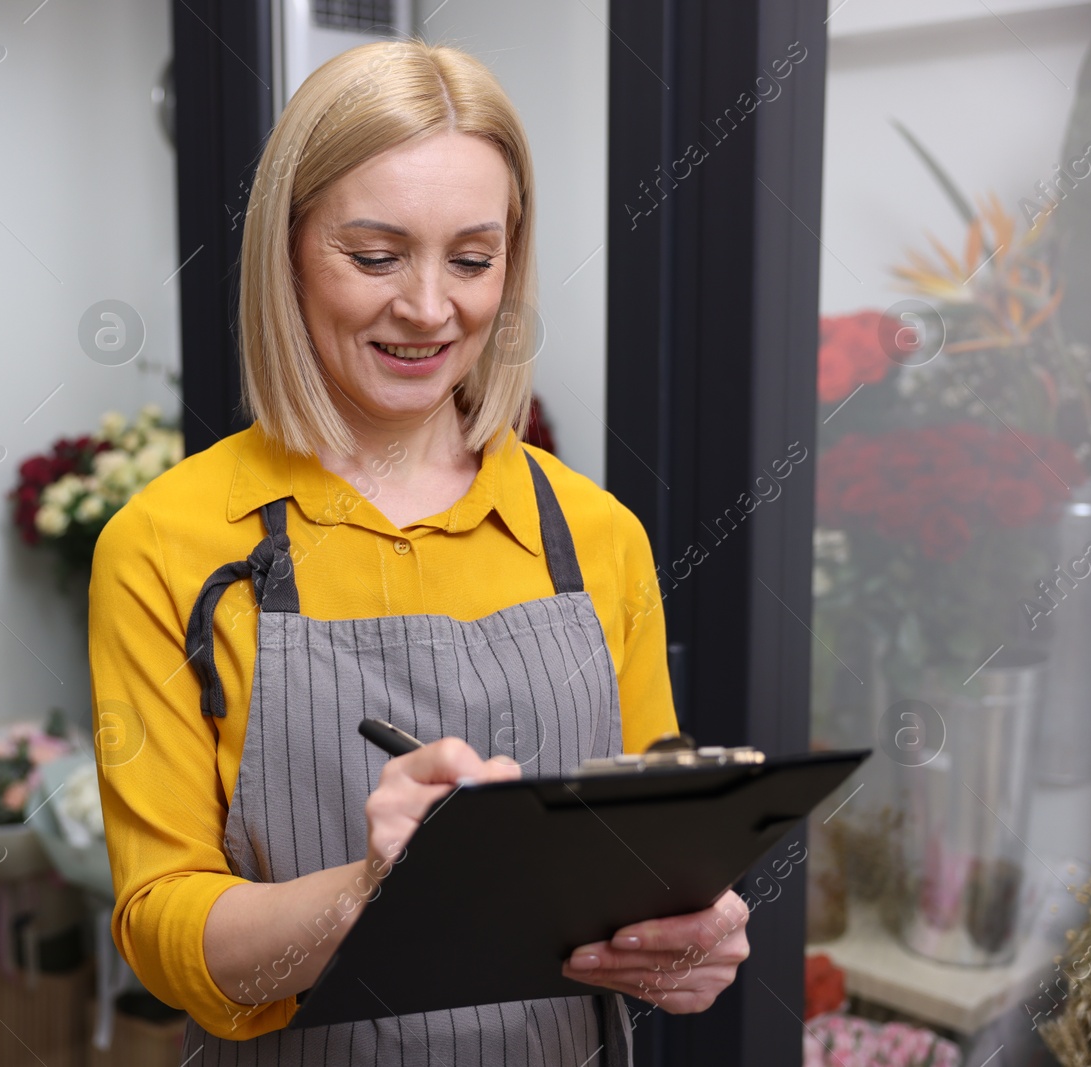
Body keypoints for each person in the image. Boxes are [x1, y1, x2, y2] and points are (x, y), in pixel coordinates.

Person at [87, 38, 750, 1067]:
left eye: (472, 258)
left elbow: (647, 848)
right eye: (375, 255)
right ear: (289, 250)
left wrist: (687, 939)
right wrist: (368, 893)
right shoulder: (167, 546)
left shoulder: (595, 535)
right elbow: (164, 937)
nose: (431, 307)